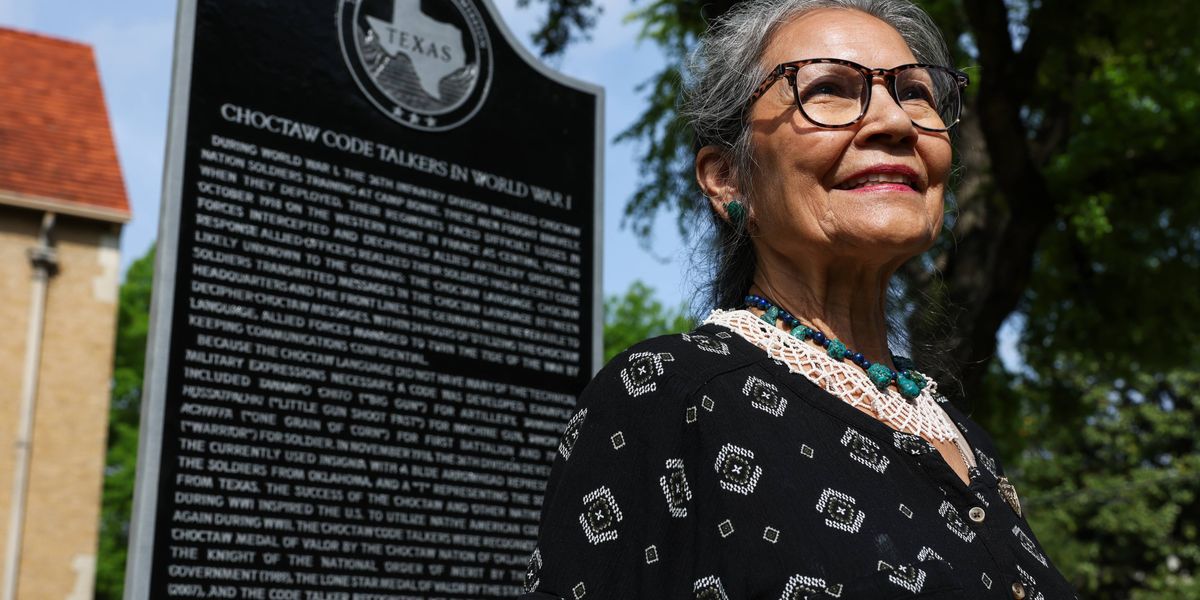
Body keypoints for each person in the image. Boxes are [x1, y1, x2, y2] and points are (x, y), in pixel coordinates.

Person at [519, 0, 1077, 597]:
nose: (896, 122)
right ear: (729, 179)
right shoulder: (669, 394)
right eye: (830, 88)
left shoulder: (966, 440)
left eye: (916, 92)